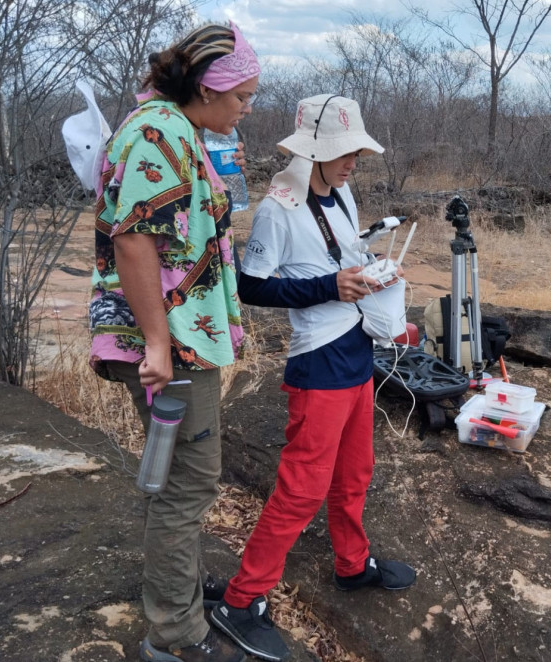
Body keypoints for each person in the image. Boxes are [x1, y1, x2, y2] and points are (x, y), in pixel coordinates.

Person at [209, 94, 416, 662]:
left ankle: (352, 565)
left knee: (355, 473)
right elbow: (251, 287)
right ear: (313, 152)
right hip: (318, 360)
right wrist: (329, 287)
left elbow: (339, 258)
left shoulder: (343, 193)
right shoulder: (279, 207)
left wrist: (372, 273)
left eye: (356, 151)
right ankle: (240, 599)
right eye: (342, 151)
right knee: (301, 489)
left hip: (355, 351)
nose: (352, 161)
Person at [88, 21, 260, 662]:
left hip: (181, 334)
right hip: (169, 342)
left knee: (177, 480)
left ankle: (177, 593)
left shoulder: (176, 130)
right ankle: (175, 635)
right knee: (188, 483)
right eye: (242, 97)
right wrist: (157, 345)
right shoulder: (157, 135)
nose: (246, 109)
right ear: (210, 90)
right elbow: (134, 239)